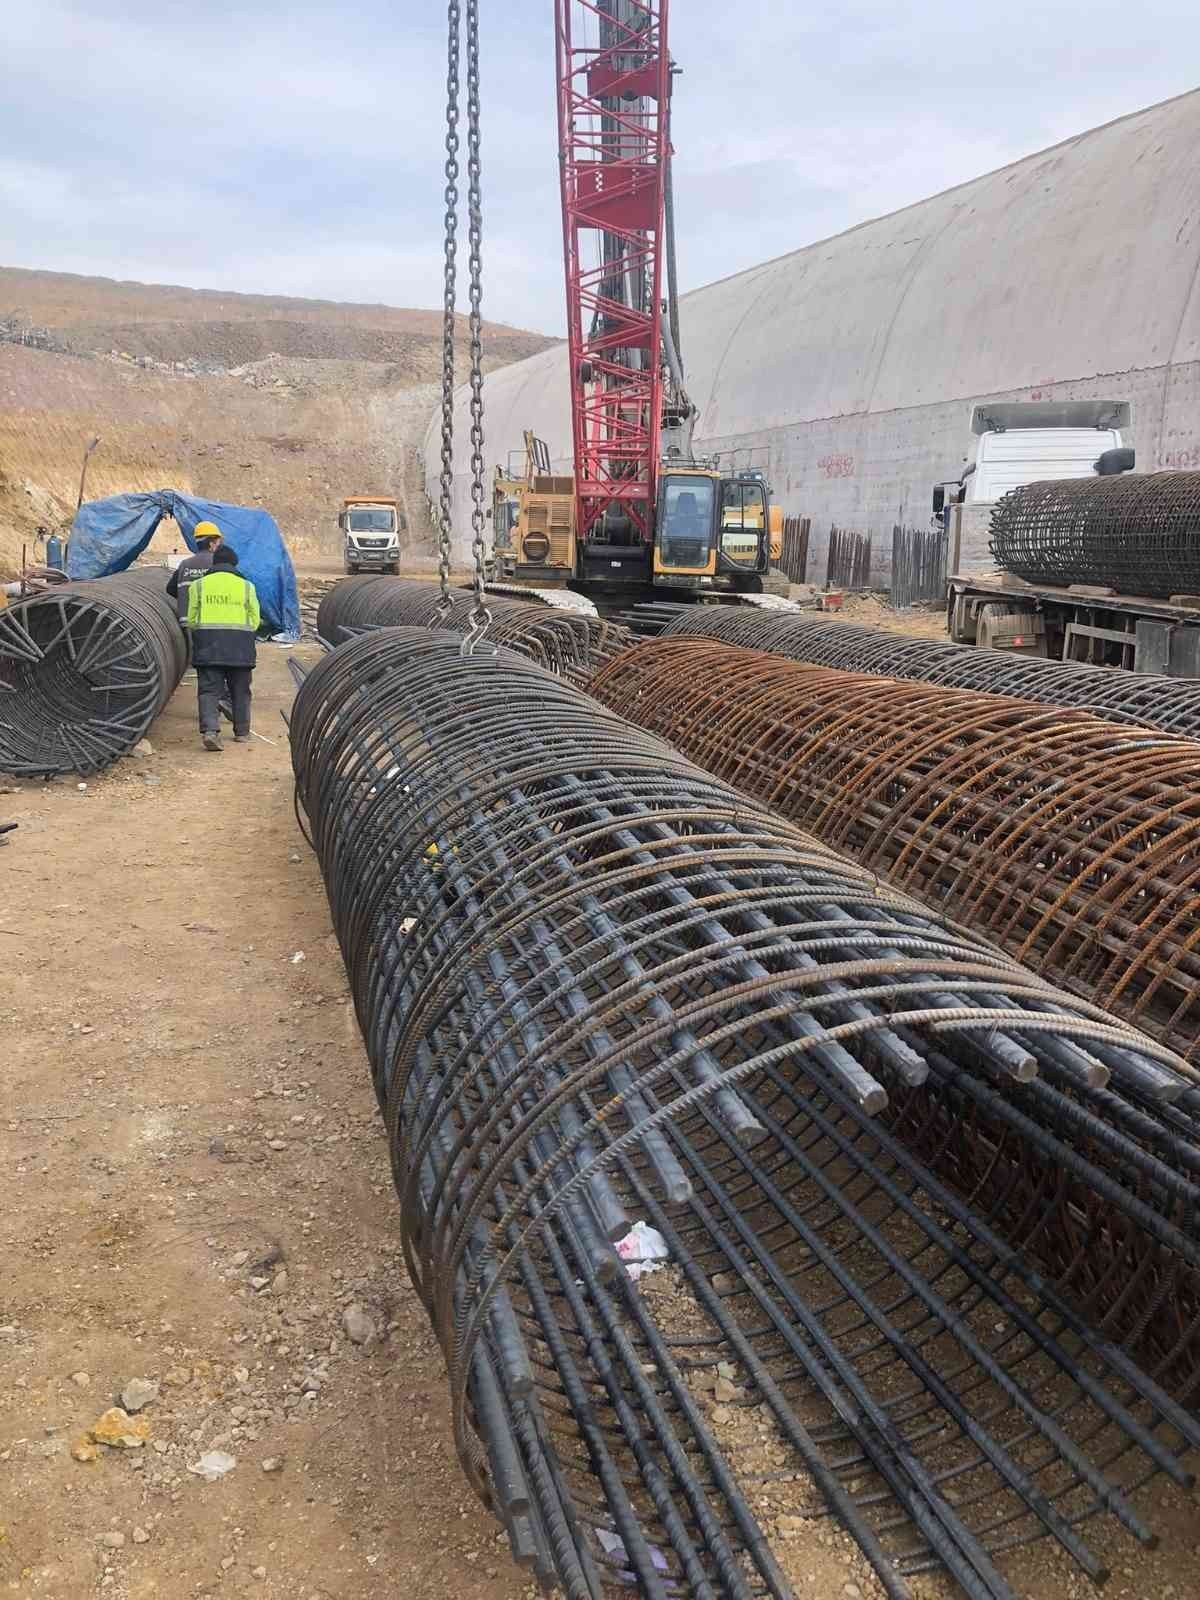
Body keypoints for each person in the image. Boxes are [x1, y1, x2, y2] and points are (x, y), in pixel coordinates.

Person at [186, 545, 260, 752]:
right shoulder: (247, 586)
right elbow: (255, 620)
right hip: (240, 648)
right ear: (234, 564)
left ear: (214, 563)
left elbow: (191, 619)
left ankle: (210, 732)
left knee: (208, 691)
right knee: (241, 690)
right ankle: (242, 732)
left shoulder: (198, 586)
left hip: (208, 646)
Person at [165, 521, 223, 623]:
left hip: (188, 621)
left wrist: (186, 598)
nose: (219, 545)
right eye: (218, 542)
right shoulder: (218, 563)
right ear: (211, 543)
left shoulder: (185, 564)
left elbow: (170, 589)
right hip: (211, 621)